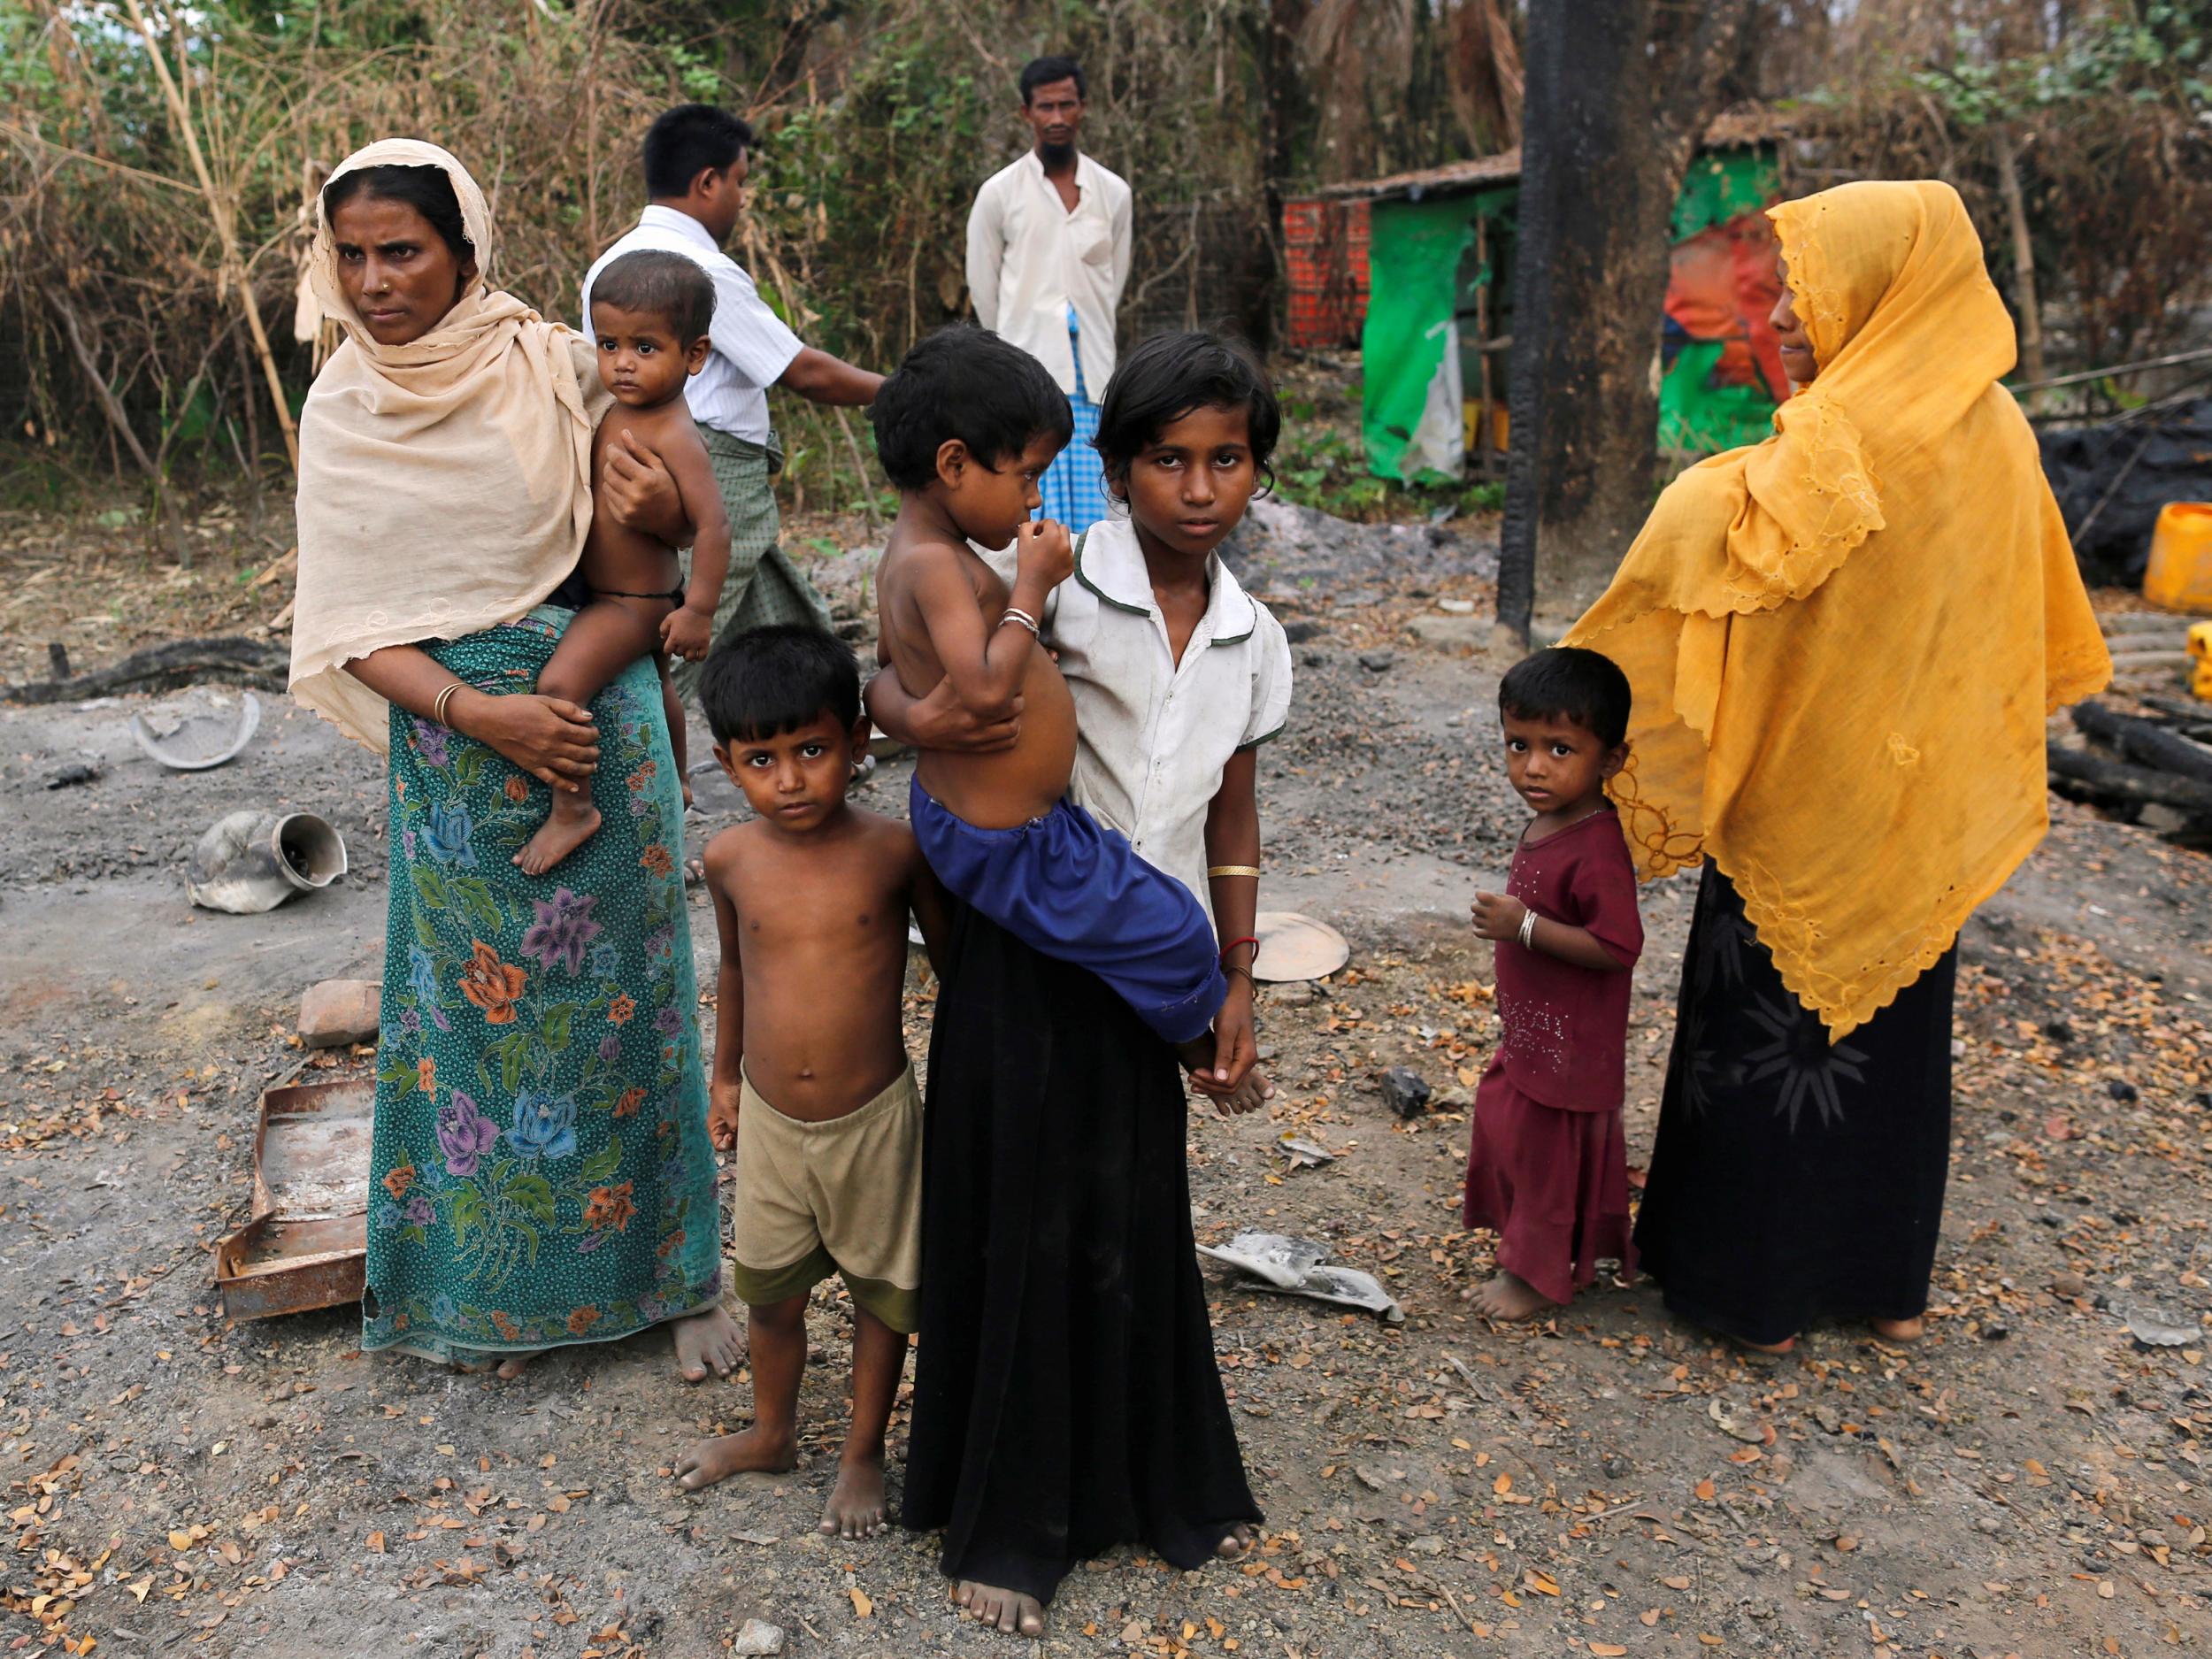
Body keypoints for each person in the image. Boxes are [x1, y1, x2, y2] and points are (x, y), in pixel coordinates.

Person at [1564, 180, 2111, 1354]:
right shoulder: (1997, 427)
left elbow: (1726, 546)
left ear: (1886, 285)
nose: (1792, 313)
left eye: (1809, 285)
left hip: (1802, 804)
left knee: (1763, 1044)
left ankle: (1749, 1299)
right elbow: (2014, 613)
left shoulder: (1841, 434)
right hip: (1918, 807)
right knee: (1894, 1052)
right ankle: (1886, 1285)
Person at [289, 139, 743, 1382]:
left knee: (629, 1015)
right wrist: (480, 715)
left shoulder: (556, 364)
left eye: (404, 250)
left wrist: (652, 533)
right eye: (355, 255)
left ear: (468, 251)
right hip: (455, 759)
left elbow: (661, 527)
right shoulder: (344, 410)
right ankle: (490, 1294)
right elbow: (346, 621)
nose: (377, 279)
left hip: (601, 725)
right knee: (477, 1041)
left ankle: (675, 1276)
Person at [869, 329, 1289, 1637]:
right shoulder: (1039, 575)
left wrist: (1236, 973)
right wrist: (897, 705)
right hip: (1028, 934)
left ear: (1258, 474)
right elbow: (908, 673)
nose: (1201, 486)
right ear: (1110, 471)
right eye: (1169, 458)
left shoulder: (1253, 637)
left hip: (1141, 931)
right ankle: (1007, 1511)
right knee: (1021, 1204)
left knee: (1128, 1202)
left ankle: (1138, 1476)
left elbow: (1232, 816)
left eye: (1229, 460)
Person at [871, 326, 1242, 1087]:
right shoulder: (936, 565)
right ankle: (1194, 1052)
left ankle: (1175, 1037)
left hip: (1020, 825)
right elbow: (981, 688)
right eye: (1028, 474)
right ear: (953, 463)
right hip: (1013, 839)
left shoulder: (925, 554)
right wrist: (1032, 589)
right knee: (1173, 931)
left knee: (1140, 923)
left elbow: (889, 669)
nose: (1036, 497)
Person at [671, 627, 944, 1539]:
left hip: (874, 1120)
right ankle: (773, 1430)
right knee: (772, 1296)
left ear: (858, 741)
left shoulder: (897, 853)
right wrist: (722, 1077)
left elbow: (958, 971)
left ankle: (862, 1453)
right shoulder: (730, 861)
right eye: (761, 759)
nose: (789, 780)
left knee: (880, 1293)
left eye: (812, 751)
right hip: (774, 1120)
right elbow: (738, 974)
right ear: (725, 763)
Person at [582, 104, 882, 703]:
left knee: (785, 621)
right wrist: (907, 391)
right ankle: (626, 747)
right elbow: (804, 372)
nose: (741, 199)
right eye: (740, 182)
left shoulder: (609, 266)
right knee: (678, 638)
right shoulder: (702, 271)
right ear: (708, 182)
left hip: (643, 453)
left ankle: (837, 725)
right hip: (710, 466)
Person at [518, 250, 728, 875]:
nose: (622, 364)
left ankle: (573, 807)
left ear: (693, 355)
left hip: (631, 604)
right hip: (618, 594)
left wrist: (700, 610)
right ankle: (680, 782)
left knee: (559, 687)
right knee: (658, 688)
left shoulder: (673, 431)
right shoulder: (621, 408)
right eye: (607, 344)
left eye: (644, 347)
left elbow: (714, 525)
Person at [1461, 649, 1643, 1322]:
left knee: (1544, 1161)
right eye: (1519, 744)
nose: (1533, 766)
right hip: (1537, 1031)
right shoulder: (1551, 818)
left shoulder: (1596, 847)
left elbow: (1620, 945)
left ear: (1610, 759)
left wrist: (1525, 926)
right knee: (1504, 1122)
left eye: (1559, 748)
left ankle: (1535, 1277)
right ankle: (1529, 1245)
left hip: (1573, 1045)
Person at [965, 54, 1131, 534]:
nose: (1056, 118)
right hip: (1029, 378)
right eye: (1045, 107)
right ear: (1027, 113)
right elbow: (984, 288)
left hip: (1095, 376)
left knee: (1101, 513)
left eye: (1066, 105)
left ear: (1083, 108)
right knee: (1034, 503)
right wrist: (1012, 350)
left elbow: (1113, 282)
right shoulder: (999, 194)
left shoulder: (1113, 193)